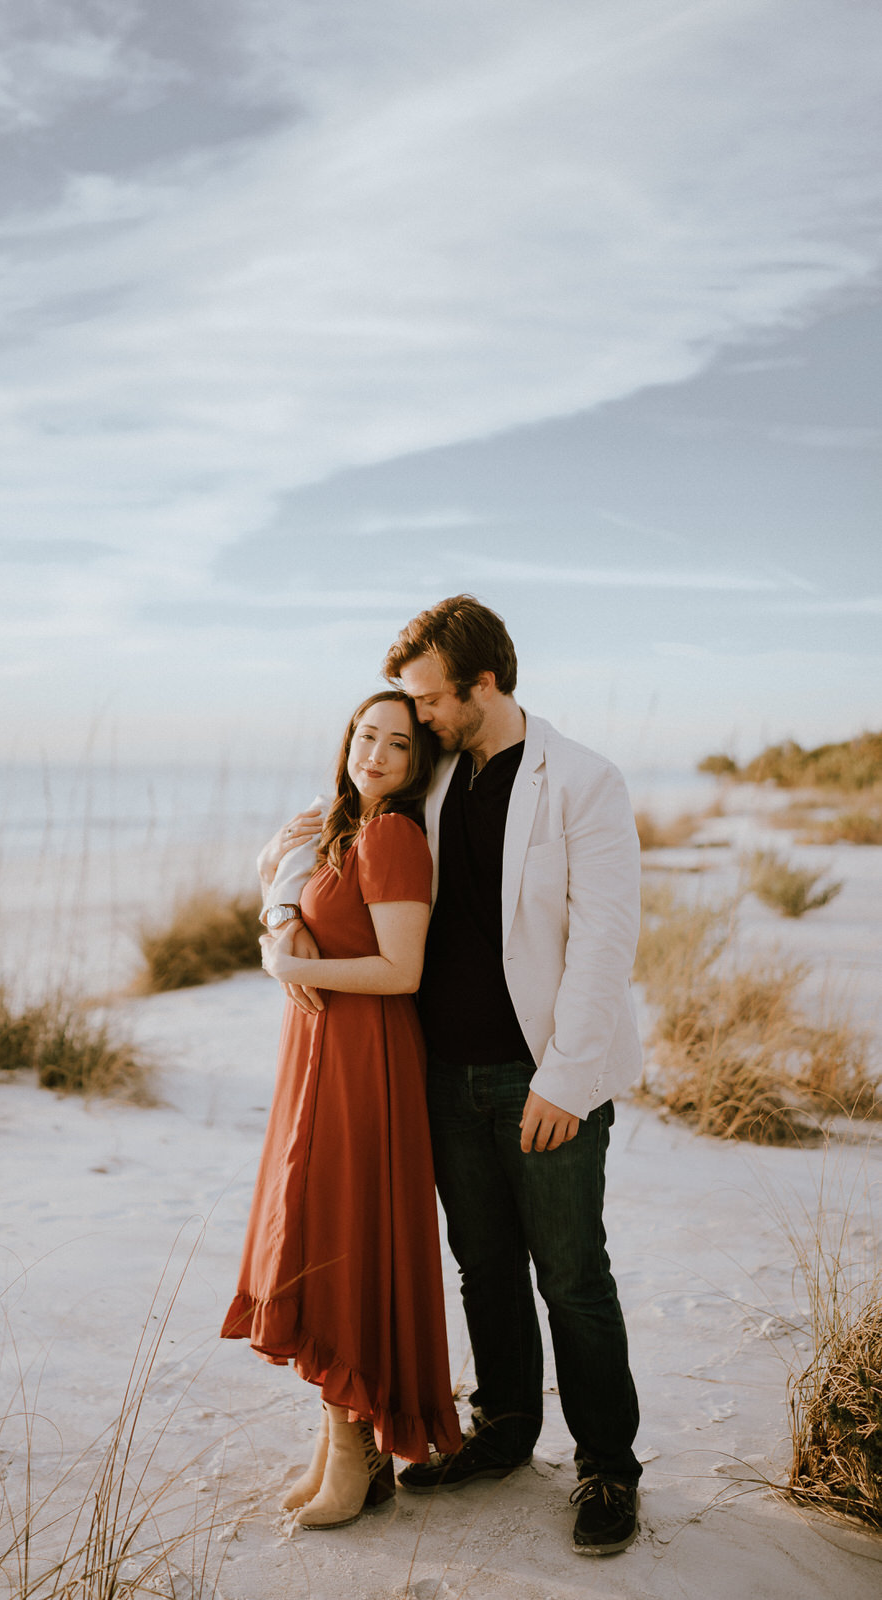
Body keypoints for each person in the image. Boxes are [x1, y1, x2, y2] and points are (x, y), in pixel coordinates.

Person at [265, 596, 643, 1556]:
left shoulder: (582, 781)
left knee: (571, 1272)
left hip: (541, 1072)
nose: (418, 714)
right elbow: (308, 840)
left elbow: (605, 943)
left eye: (430, 698)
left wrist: (564, 1081)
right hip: (438, 1071)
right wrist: (279, 914)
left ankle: (606, 1466)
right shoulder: (426, 781)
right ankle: (504, 1431)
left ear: (482, 686)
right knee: (482, 1267)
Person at [221, 690, 461, 1532]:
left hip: (364, 1058)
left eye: (398, 744)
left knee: (338, 1236)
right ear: (347, 741)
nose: (377, 754)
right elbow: (281, 896)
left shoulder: (393, 834)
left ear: (416, 762)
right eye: (366, 736)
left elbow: (401, 970)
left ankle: (355, 1453)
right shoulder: (334, 823)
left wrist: (295, 967)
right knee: (319, 1227)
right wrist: (277, 921)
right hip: (319, 1055)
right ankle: (340, 1442)